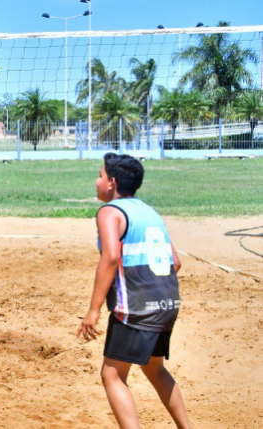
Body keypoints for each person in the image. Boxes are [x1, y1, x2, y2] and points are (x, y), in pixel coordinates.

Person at [77, 153, 190, 429]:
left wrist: (94, 310)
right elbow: (175, 261)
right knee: (155, 368)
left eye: (100, 175)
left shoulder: (110, 211)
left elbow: (111, 258)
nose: (97, 180)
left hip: (136, 308)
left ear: (112, 182)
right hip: (167, 303)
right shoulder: (149, 212)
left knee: (112, 375)